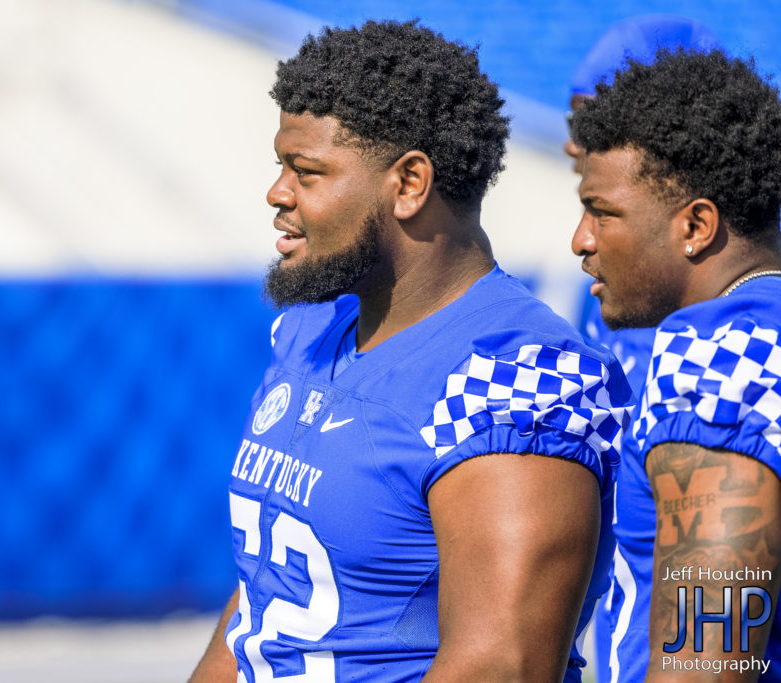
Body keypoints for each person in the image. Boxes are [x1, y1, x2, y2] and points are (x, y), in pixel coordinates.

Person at [190, 20, 631, 682]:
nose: (277, 193)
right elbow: (268, 601)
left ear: (409, 184)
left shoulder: (515, 374)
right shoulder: (313, 328)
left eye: (306, 171)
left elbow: (499, 664)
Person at [570, 49, 781, 681]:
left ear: (695, 224)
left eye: (603, 212)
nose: (581, 238)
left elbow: (706, 663)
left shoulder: (721, 348)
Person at [561, 17, 721, 683]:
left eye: (595, 118)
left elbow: (716, 647)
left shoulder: (732, 344)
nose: (572, 143)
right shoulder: (615, 290)